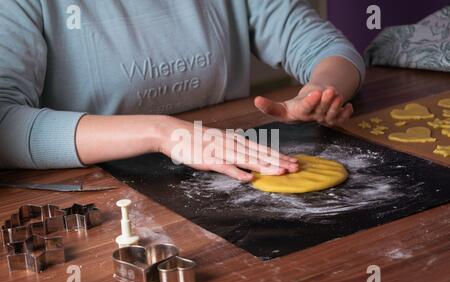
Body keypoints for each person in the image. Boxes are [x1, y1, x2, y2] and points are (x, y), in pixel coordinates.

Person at [0, 0, 365, 181]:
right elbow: (5, 124)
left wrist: (320, 92)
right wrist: (163, 133)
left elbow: (326, 49)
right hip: (96, 191)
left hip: (233, 172)